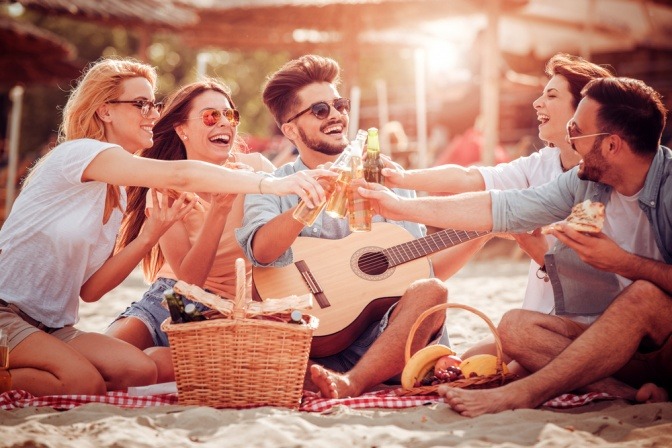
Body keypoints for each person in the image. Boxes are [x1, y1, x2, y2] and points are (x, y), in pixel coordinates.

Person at [0, 58, 332, 397]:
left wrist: (149, 235)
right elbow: (180, 174)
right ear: (105, 111)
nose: (153, 114)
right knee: (83, 383)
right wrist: (273, 184)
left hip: (53, 326)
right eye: (140, 104)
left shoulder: (116, 192)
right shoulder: (78, 154)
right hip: (6, 309)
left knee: (138, 369)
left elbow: (90, 292)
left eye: (154, 104)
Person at [359, 76, 671, 415]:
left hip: (662, 340)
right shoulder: (584, 182)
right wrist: (399, 205)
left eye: (577, 132)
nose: (569, 140)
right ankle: (626, 393)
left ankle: (524, 393)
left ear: (612, 145)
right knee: (515, 328)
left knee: (644, 295)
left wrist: (624, 262)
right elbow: (501, 207)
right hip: (615, 346)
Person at [236, 54, 450, 399]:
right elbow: (260, 253)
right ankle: (339, 377)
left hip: (386, 338)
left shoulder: (384, 174)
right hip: (311, 342)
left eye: (339, 104)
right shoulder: (273, 184)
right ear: (290, 129)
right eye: (320, 110)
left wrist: (489, 228)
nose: (336, 115)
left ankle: (354, 381)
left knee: (433, 291)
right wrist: (309, 201)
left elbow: (423, 268)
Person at [382, 53, 614, 364]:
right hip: (538, 316)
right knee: (464, 362)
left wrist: (541, 255)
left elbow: (603, 282)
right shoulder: (542, 164)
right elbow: (470, 177)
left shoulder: (609, 178)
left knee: (511, 356)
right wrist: (400, 177)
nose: (537, 102)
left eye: (552, 95)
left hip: (595, 323)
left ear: (583, 110)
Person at [105, 79, 276, 382]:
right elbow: (189, 284)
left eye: (230, 115)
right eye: (211, 116)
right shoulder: (165, 188)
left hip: (227, 312)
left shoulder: (257, 171)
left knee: (149, 367)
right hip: (172, 297)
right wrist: (219, 212)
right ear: (182, 129)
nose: (224, 122)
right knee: (103, 359)